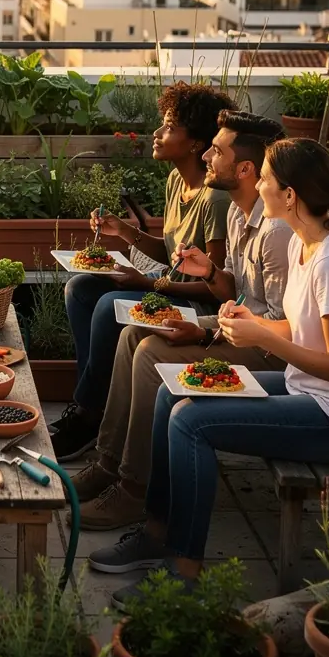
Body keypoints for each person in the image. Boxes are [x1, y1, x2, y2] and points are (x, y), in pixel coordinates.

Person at [90, 138, 329, 609]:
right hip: (310, 390)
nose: (259, 185)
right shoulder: (307, 246)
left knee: (191, 422)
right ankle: (156, 532)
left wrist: (262, 338)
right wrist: (252, 324)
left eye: (266, 178)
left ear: (289, 194)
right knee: (172, 391)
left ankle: (184, 570)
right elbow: (302, 327)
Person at [74, 110, 291, 535]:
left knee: (150, 353)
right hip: (237, 324)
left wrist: (206, 332)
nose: (207, 155)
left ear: (246, 169)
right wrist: (208, 271)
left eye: (218, 151)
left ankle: (134, 489)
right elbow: (233, 289)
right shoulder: (239, 214)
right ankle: (108, 463)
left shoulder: (276, 232)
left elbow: (282, 326)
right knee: (134, 333)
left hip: (270, 349)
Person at [52, 81, 234, 461]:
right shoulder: (177, 181)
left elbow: (216, 287)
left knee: (109, 306)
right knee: (81, 288)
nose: (157, 133)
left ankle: (89, 416)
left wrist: (147, 283)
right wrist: (125, 231)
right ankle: (92, 405)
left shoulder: (215, 200)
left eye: (169, 127)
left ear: (196, 144)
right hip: (169, 290)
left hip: (197, 309)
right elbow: (172, 254)